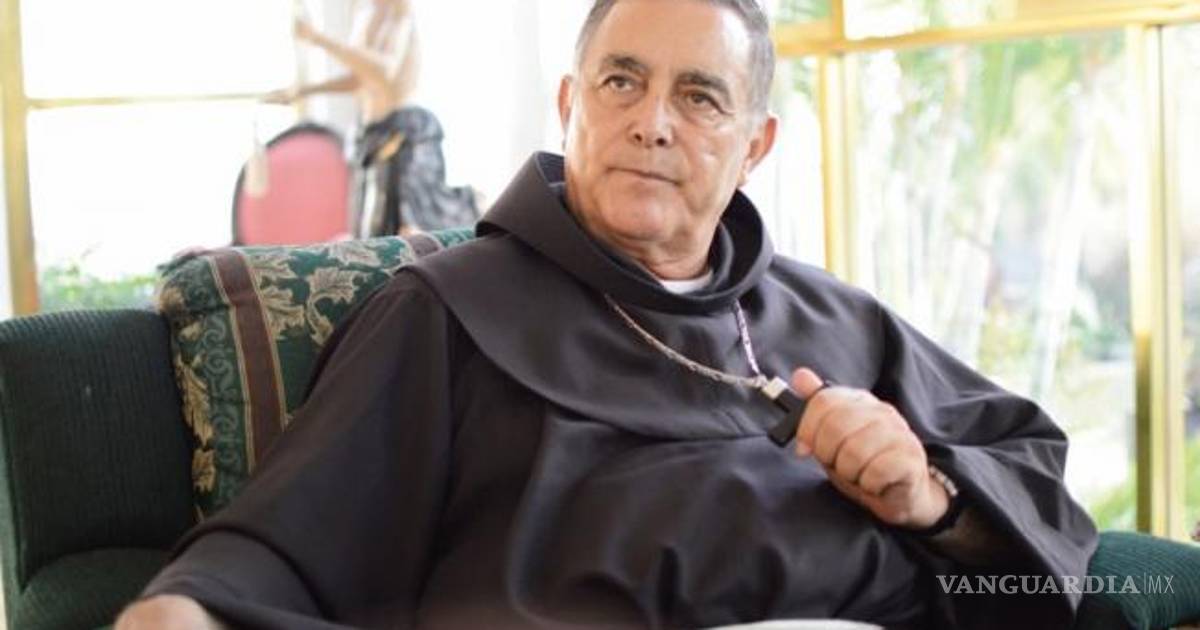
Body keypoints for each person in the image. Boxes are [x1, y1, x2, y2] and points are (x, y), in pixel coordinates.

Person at [117, 0, 1097, 628]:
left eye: (699, 97)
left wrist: (929, 498)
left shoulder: (836, 318)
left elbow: (1035, 495)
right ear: (570, 105)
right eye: (622, 81)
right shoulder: (444, 314)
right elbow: (291, 538)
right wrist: (187, 611)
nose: (652, 122)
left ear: (754, 146)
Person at [269, 0, 479, 237]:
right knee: (369, 231)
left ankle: (475, 207)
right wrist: (305, 90)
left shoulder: (399, 13)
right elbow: (361, 78)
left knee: (404, 230)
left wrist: (319, 39)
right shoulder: (366, 13)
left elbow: (384, 71)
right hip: (371, 138)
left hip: (400, 136)